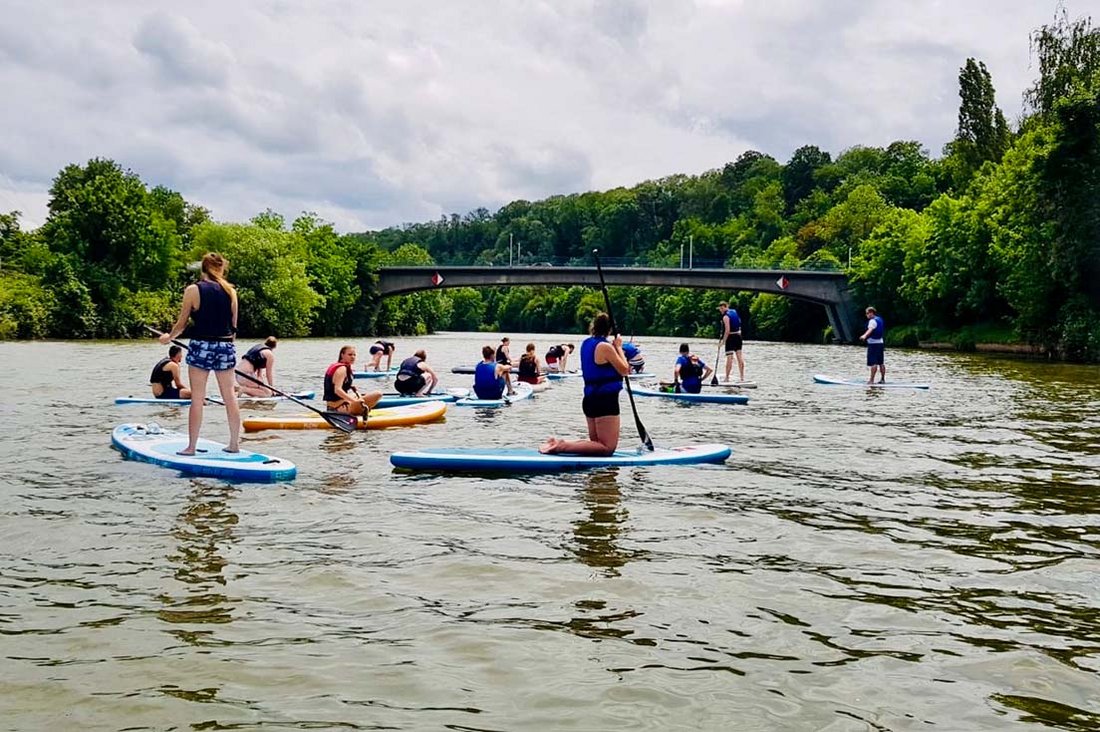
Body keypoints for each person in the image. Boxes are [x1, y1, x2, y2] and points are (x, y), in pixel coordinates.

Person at [159, 252, 240, 455]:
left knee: (197, 397)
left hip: (201, 345)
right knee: (229, 396)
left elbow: (182, 323)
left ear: (203, 269)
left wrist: (169, 337)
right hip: (225, 345)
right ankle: (234, 444)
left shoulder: (193, 290)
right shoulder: (231, 292)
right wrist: (228, 350)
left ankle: (191, 447)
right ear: (222, 268)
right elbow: (234, 327)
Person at [540, 312, 629, 456]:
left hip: (590, 400)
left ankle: (561, 444)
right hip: (605, 401)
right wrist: (618, 346)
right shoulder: (605, 347)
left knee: (597, 445)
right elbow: (625, 370)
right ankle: (562, 446)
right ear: (610, 330)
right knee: (607, 448)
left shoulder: (586, 343)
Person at [324, 345, 382, 415]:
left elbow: (335, 384)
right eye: (350, 355)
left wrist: (350, 386)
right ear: (342, 355)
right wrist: (354, 401)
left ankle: (362, 409)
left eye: (354, 355)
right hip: (338, 408)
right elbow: (337, 390)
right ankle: (362, 411)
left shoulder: (340, 366)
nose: (353, 357)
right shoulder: (342, 369)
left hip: (336, 404)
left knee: (356, 395)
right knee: (378, 394)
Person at [717, 301, 746, 383]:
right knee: (739, 356)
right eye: (720, 309)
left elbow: (727, 330)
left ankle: (727, 378)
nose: (721, 310)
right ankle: (742, 377)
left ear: (726, 307)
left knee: (729, 358)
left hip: (731, 337)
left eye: (722, 308)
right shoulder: (734, 311)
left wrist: (723, 342)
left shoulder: (725, 317)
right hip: (738, 336)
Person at [860, 306, 886, 384]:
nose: (866, 315)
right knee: (881, 363)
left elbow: (870, 330)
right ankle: (882, 379)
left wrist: (864, 336)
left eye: (867, 313)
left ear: (871, 313)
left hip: (873, 344)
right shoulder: (880, 319)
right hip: (880, 343)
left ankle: (871, 380)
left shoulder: (872, 321)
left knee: (873, 363)